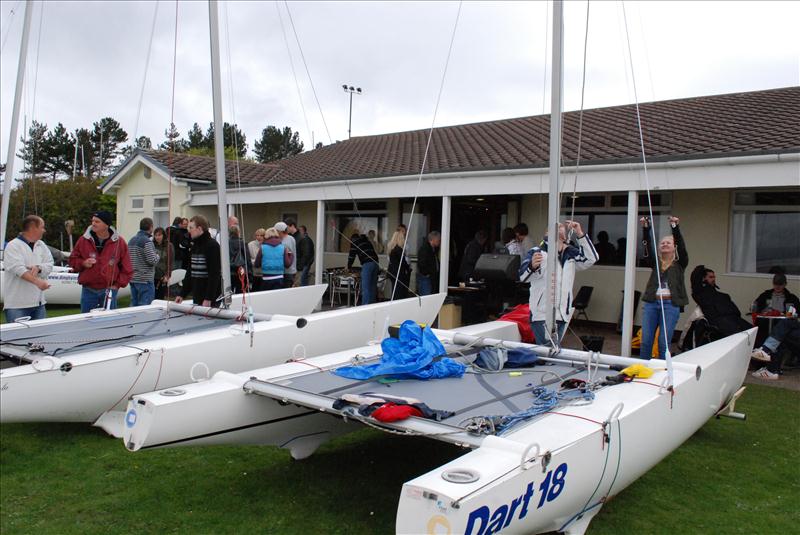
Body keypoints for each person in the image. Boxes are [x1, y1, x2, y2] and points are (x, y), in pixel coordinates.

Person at [519, 220, 598, 346]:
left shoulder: (570, 253)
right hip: (542, 314)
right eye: (555, 228)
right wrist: (531, 266)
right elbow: (522, 277)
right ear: (547, 234)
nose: (560, 228)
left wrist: (580, 234)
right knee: (550, 352)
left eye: (561, 227)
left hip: (562, 314)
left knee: (552, 352)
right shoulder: (537, 252)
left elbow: (592, 258)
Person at [638, 215, 688, 359]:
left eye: (668, 243)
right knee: (646, 341)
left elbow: (682, 247)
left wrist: (675, 227)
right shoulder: (655, 262)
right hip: (651, 304)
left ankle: (664, 371)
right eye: (662, 243)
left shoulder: (680, 263)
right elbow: (647, 246)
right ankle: (643, 369)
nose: (665, 244)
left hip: (670, 305)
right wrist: (646, 228)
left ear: (674, 247)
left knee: (663, 342)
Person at [69, 211, 133, 313]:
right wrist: (83, 263)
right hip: (88, 290)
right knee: (87, 322)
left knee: (108, 324)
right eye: (93, 221)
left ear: (106, 224)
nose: (93, 223)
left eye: (97, 221)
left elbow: (127, 268)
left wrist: (116, 285)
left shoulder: (119, 242)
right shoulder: (83, 240)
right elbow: (72, 260)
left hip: (109, 291)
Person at [2, 215, 53, 322]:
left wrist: (39, 268)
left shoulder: (41, 245)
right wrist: (38, 282)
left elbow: (49, 264)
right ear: (33, 228)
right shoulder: (13, 246)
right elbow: (18, 269)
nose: (44, 230)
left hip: (39, 304)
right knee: (16, 338)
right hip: (17, 306)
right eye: (42, 227)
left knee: (41, 338)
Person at [690, 265, 751, 337]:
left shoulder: (714, 291)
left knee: (751, 330)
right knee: (739, 335)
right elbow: (696, 278)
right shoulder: (700, 292)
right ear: (703, 278)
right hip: (719, 320)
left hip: (731, 316)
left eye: (714, 277)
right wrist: (702, 269)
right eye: (711, 277)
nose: (714, 279)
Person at [176, 215, 222, 307]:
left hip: (210, 299)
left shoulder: (212, 246)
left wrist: (208, 298)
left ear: (199, 228)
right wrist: (182, 294)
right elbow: (190, 272)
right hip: (197, 296)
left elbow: (214, 274)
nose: (189, 230)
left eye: (191, 228)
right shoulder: (195, 246)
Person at [128, 217, 160, 306]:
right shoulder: (147, 242)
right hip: (145, 280)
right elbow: (152, 260)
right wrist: (157, 255)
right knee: (145, 307)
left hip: (133, 278)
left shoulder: (131, 240)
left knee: (134, 306)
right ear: (150, 227)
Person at [347, 230, 380, 305]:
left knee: (365, 287)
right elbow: (373, 252)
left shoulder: (354, 242)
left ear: (352, 239)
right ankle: (372, 306)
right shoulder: (367, 241)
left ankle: (365, 306)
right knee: (372, 287)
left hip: (367, 264)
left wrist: (349, 267)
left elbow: (351, 256)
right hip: (376, 263)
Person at [387, 230, 411, 300]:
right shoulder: (399, 250)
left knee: (394, 291)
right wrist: (408, 268)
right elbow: (403, 262)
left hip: (393, 273)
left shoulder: (391, 249)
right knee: (399, 293)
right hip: (399, 274)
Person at [228, 225, 252, 294]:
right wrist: (250, 275)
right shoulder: (242, 243)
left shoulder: (226, 243)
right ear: (238, 232)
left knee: (229, 293)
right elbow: (247, 259)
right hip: (241, 270)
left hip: (229, 271)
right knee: (241, 292)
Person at [152, 227, 174, 300]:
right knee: (151, 298)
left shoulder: (169, 246)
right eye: (156, 235)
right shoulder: (151, 245)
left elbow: (170, 262)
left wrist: (167, 275)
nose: (157, 237)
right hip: (152, 276)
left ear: (163, 235)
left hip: (162, 277)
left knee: (159, 298)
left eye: (159, 235)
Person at [416, 231, 441, 296]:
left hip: (431, 277)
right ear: (433, 239)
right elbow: (421, 264)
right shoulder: (425, 249)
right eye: (438, 240)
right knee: (426, 298)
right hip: (426, 278)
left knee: (430, 297)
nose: (439, 241)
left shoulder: (433, 249)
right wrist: (427, 273)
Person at [274, 221, 297, 288]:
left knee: (285, 292)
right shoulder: (291, 238)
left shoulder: (284, 242)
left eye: (276, 231)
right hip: (291, 270)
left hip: (286, 271)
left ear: (280, 231)